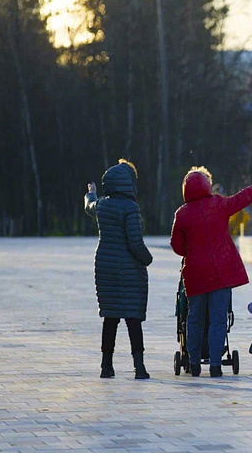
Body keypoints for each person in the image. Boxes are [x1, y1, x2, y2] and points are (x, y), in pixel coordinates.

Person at [170, 167, 252, 377]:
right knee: (218, 319)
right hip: (221, 275)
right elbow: (239, 199)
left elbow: (177, 247)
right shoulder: (218, 204)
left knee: (195, 319)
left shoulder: (182, 214)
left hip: (196, 276)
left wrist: (191, 249)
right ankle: (216, 365)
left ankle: (195, 364)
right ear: (207, 185)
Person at [84, 160, 154, 380]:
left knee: (110, 318)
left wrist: (90, 194)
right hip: (129, 270)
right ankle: (139, 367)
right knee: (133, 319)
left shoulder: (103, 204)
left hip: (105, 267)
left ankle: (106, 366)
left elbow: (90, 207)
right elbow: (135, 243)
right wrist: (148, 259)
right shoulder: (130, 208)